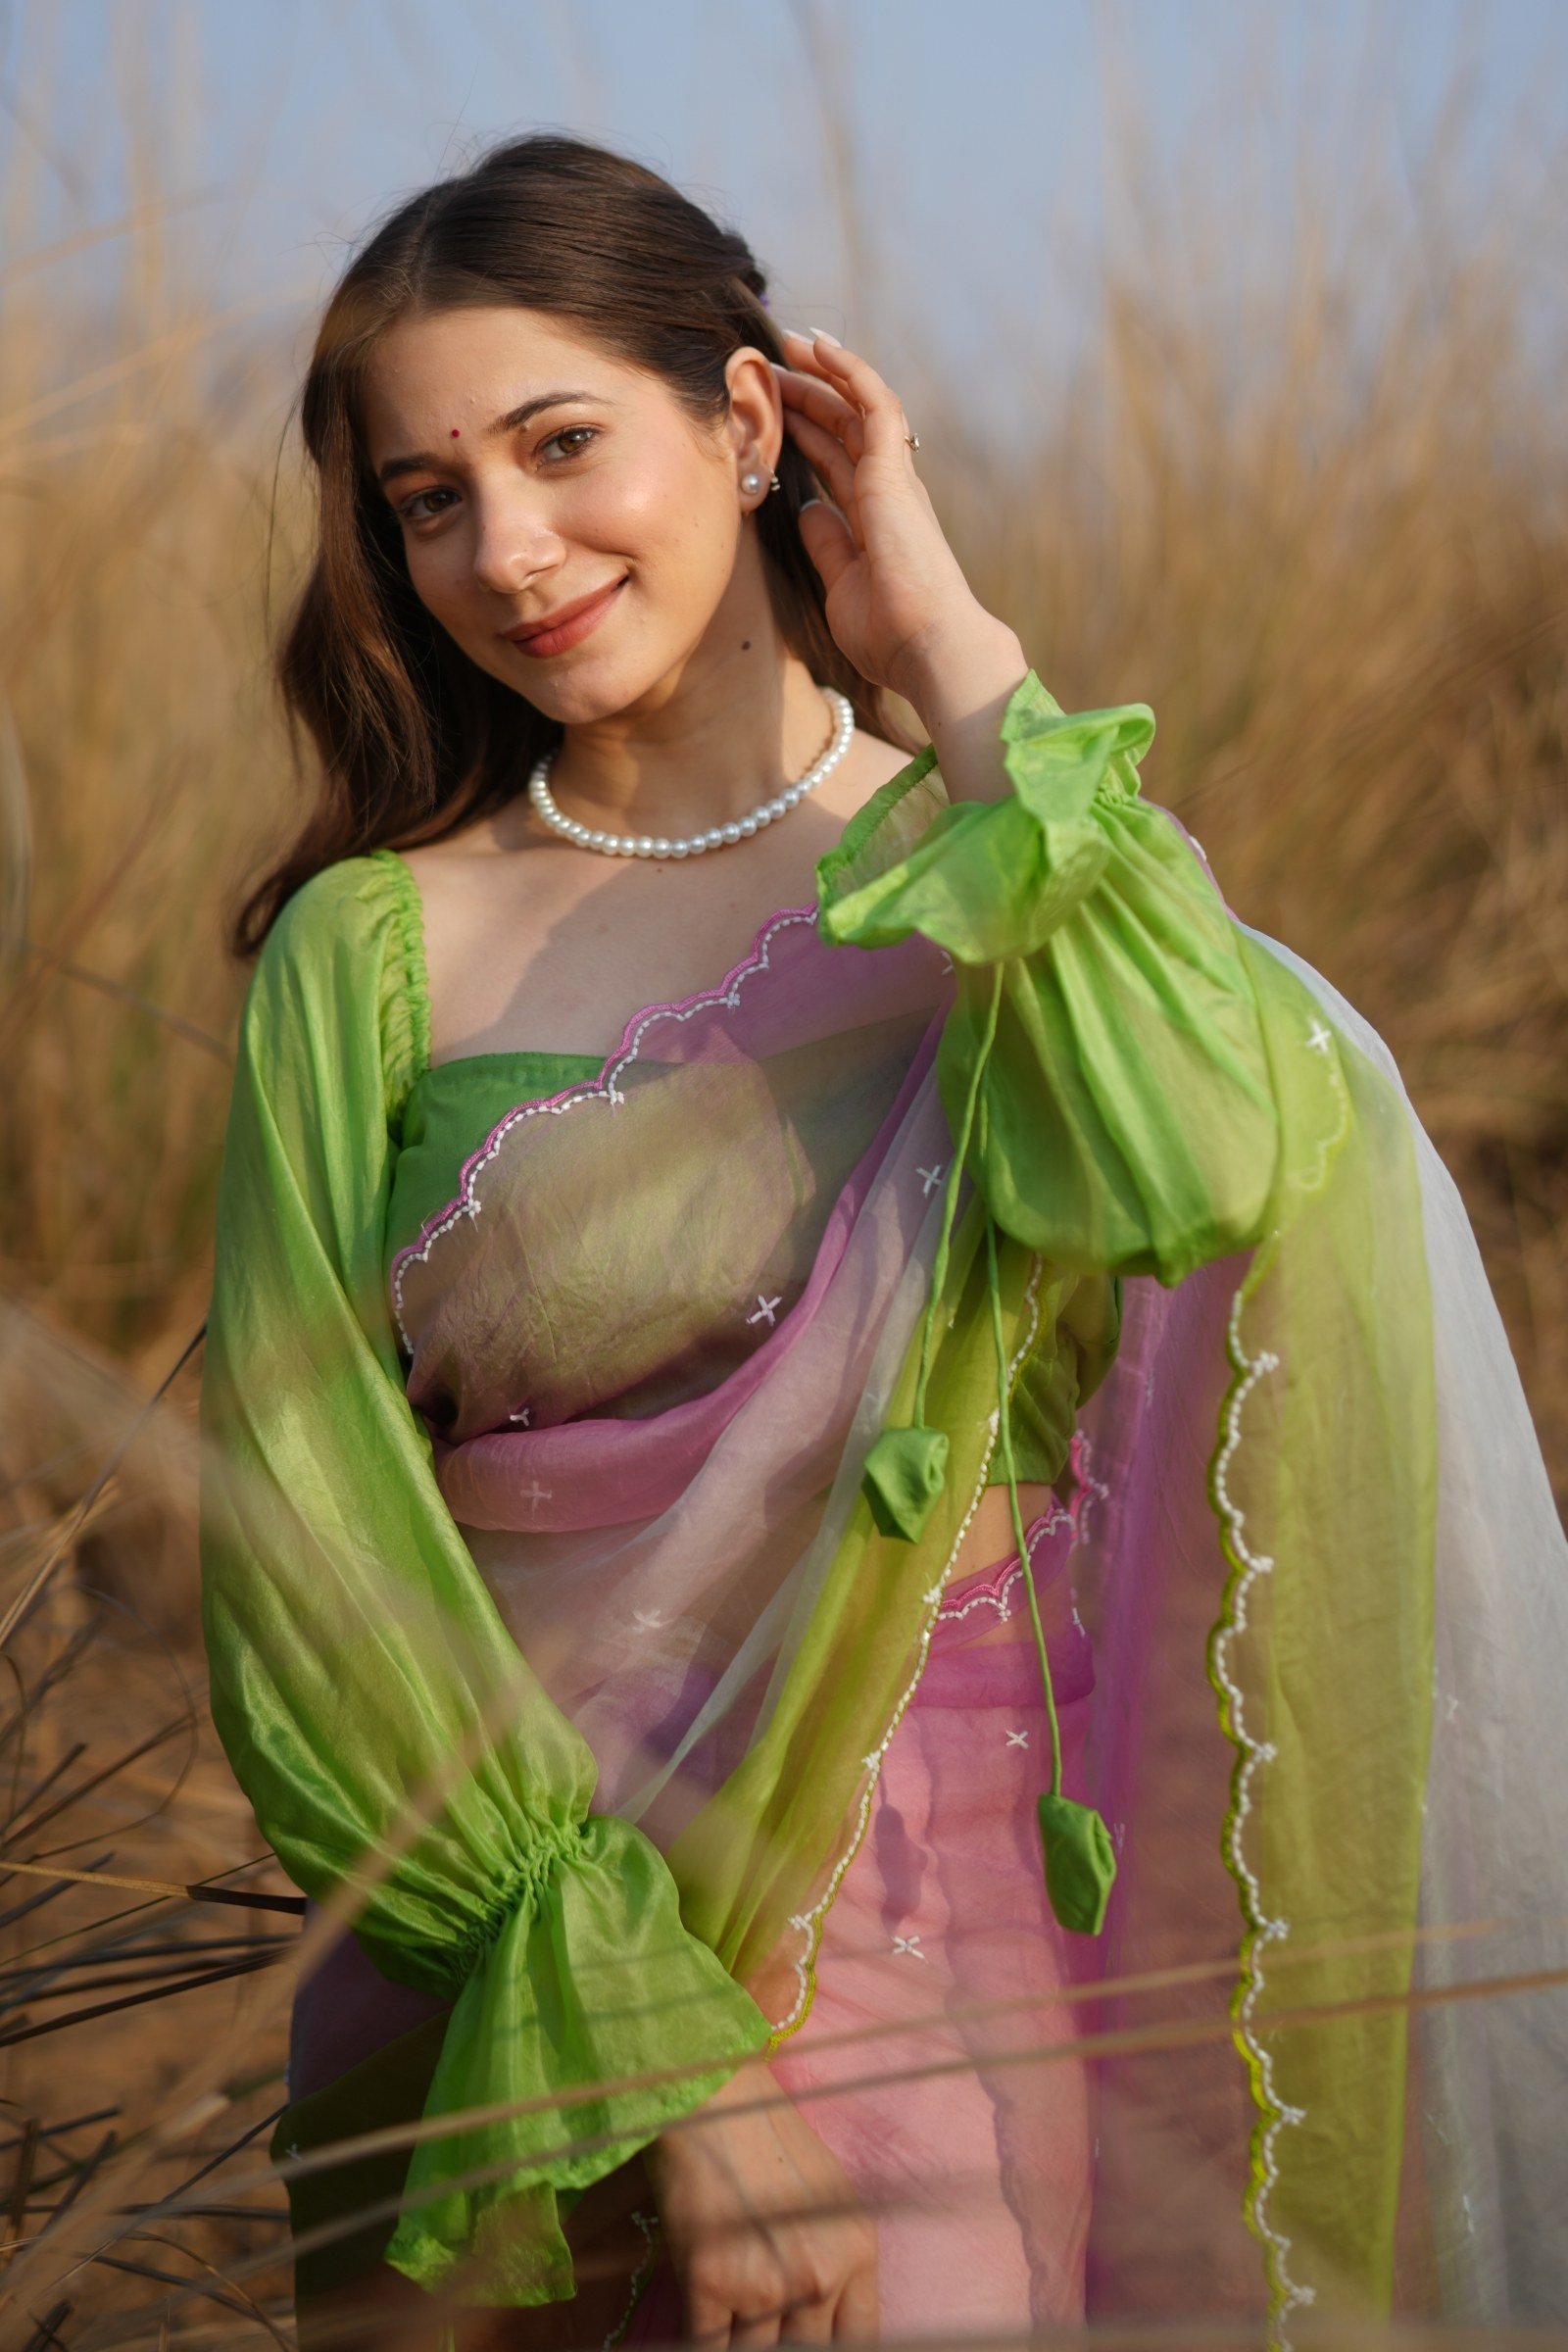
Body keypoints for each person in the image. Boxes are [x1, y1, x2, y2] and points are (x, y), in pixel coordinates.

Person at [198, 132, 1568, 2350]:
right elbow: (311, 1555)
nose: (505, 551)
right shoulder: (370, 952)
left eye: (562, 446)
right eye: (427, 497)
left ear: (748, 423)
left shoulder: (1001, 883)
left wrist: (956, 656)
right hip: (511, 1982)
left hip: (934, 1946)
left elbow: (1212, 1151)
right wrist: (651, 2052)